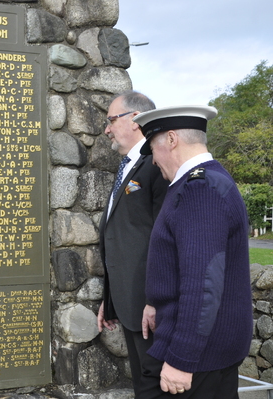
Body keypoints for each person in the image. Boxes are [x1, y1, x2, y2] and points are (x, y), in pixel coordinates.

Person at [133, 105, 253, 398]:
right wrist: (156, 303)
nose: (153, 162)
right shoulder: (200, 182)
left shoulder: (200, 190)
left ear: (171, 140)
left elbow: (203, 284)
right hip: (202, 350)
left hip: (199, 358)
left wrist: (181, 360)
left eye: (153, 149)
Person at [97, 91, 169, 395]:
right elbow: (123, 238)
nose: (107, 128)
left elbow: (164, 237)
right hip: (129, 301)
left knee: (155, 382)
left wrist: (155, 298)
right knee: (143, 382)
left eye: (112, 119)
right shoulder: (128, 164)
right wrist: (110, 296)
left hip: (149, 305)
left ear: (136, 119)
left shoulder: (157, 163)